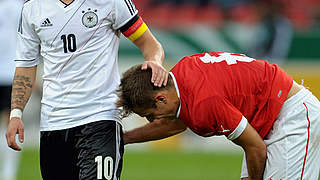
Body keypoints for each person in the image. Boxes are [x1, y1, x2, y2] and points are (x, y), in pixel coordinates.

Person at [5, 0, 168, 179]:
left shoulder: (111, 2)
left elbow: (150, 44)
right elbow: (25, 66)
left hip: (100, 117)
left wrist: (155, 60)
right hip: (54, 123)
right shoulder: (32, 8)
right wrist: (16, 114)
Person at [116, 52, 320, 180]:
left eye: (150, 116)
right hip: (271, 115)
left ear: (161, 99)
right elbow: (176, 124)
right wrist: (125, 138)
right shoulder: (182, 75)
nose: (153, 121)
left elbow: (255, 147)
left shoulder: (204, 102)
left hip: (293, 116)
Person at [0, 0, 23, 179]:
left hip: (10, 72)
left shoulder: (18, 6)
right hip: (10, 72)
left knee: (9, 123)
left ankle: (9, 173)